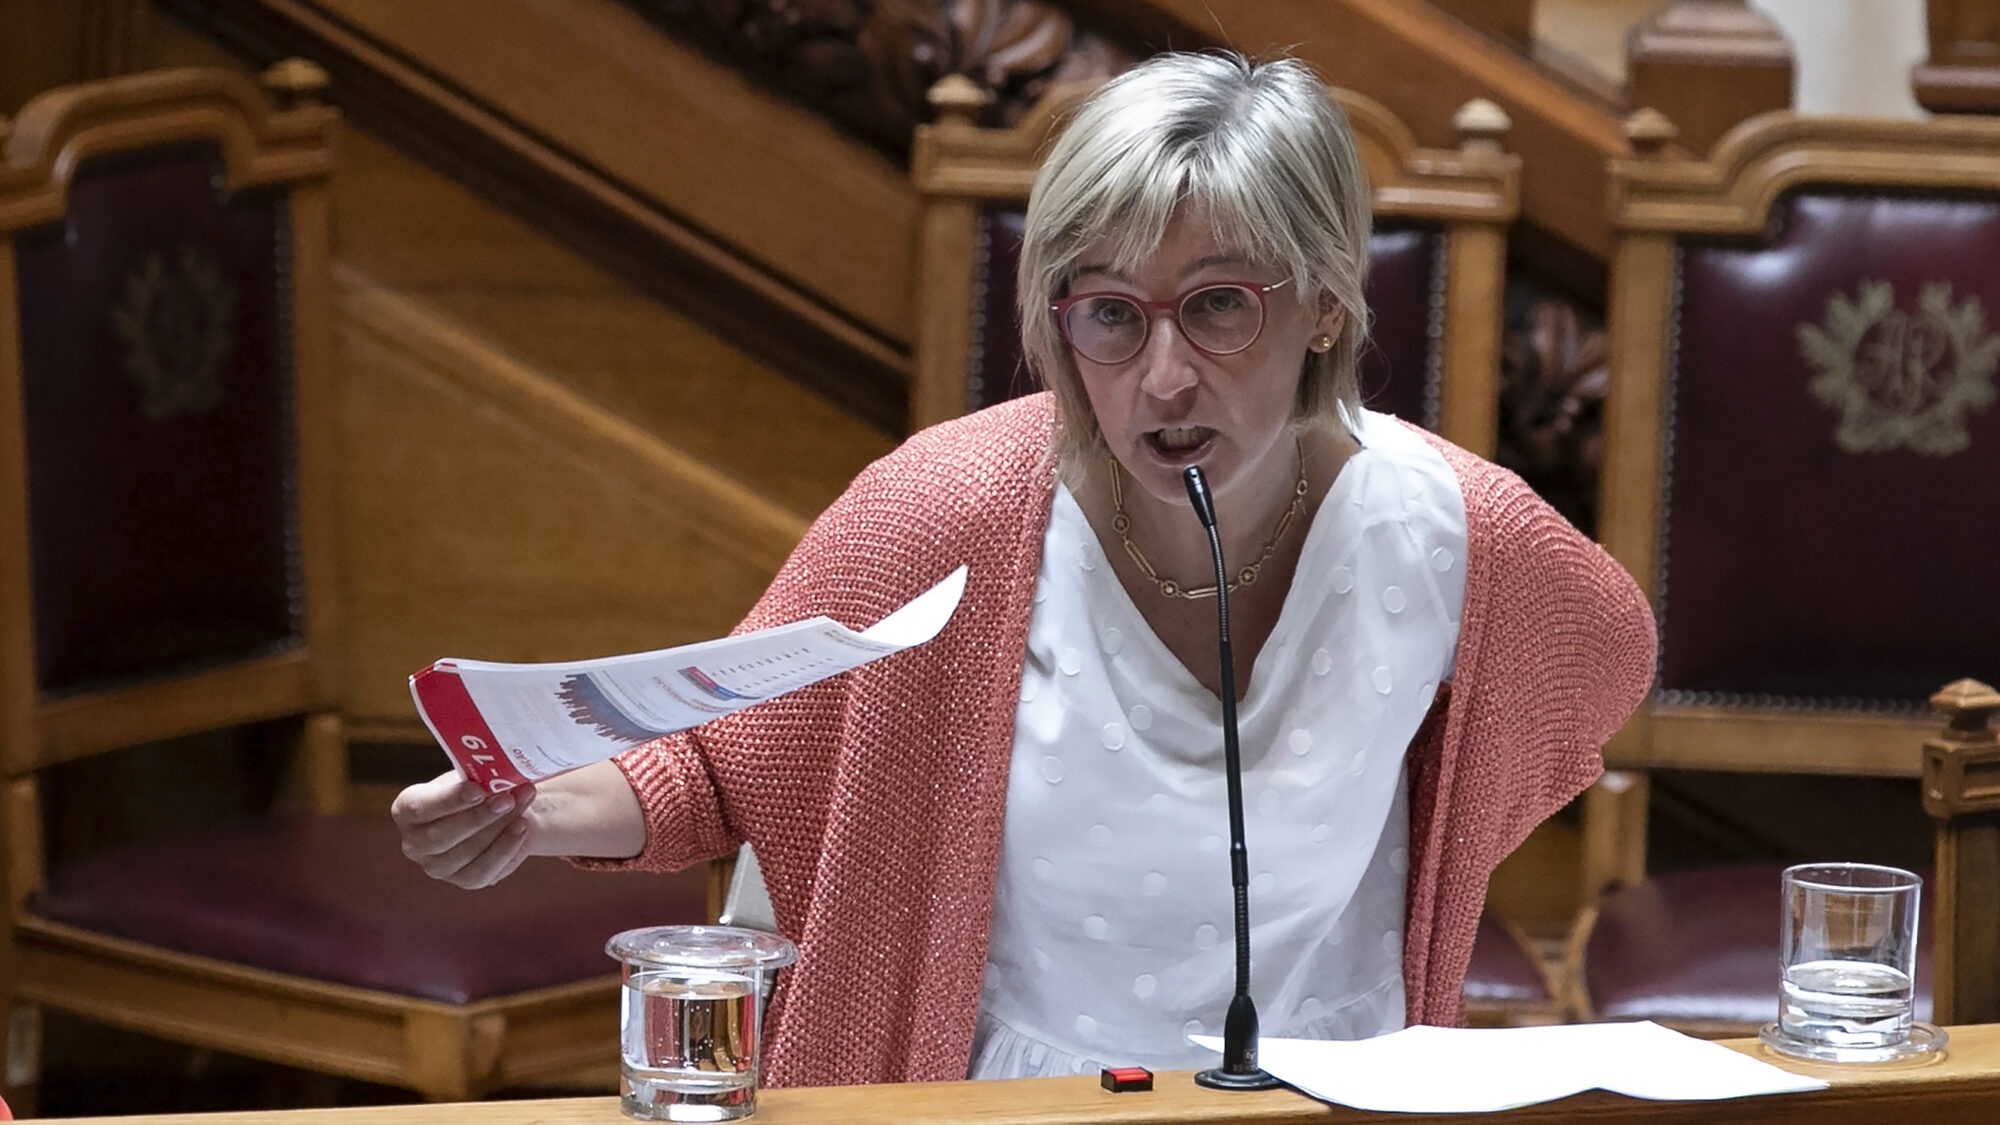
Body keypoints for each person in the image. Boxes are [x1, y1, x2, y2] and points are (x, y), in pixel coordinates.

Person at [392, 51, 1654, 1088]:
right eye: (1108, 314)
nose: (1161, 378)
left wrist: (1445, 829)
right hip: (1001, 1097)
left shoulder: (1455, 540)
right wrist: (529, 811)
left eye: (1218, 305)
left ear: (1323, 301)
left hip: (1323, 1093)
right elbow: (730, 760)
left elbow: (1602, 659)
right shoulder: (944, 512)